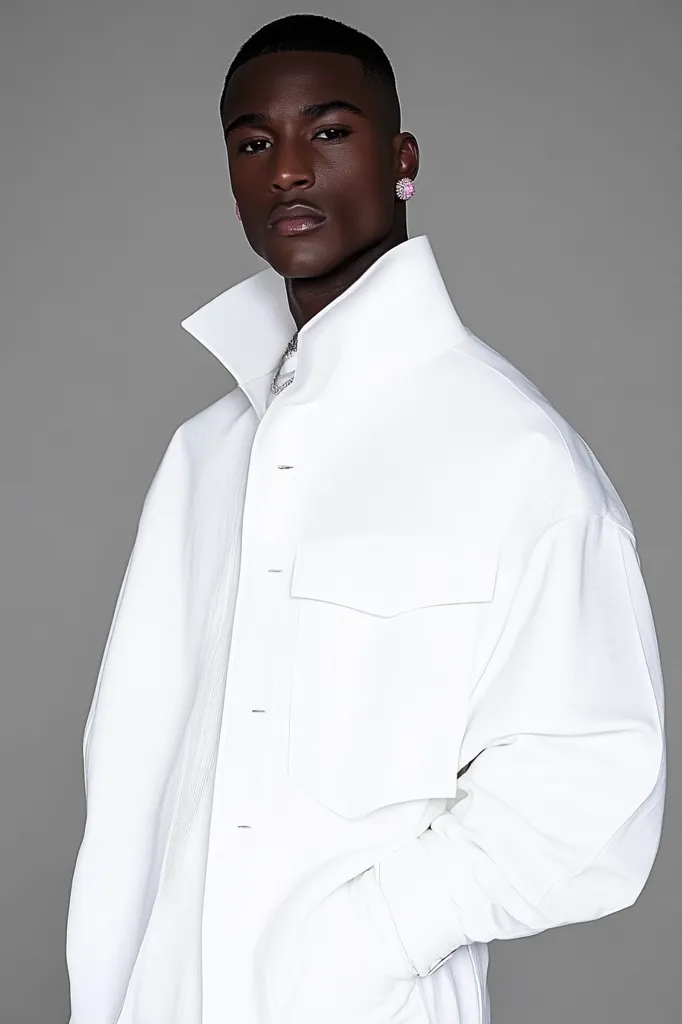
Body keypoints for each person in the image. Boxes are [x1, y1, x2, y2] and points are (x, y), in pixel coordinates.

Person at [64, 13, 666, 1024]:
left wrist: (369, 941)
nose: (288, 170)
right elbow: (130, 784)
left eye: (328, 132)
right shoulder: (204, 456)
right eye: (254, 142)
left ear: (402, 160)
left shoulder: (513, 454)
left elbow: (589, 786)